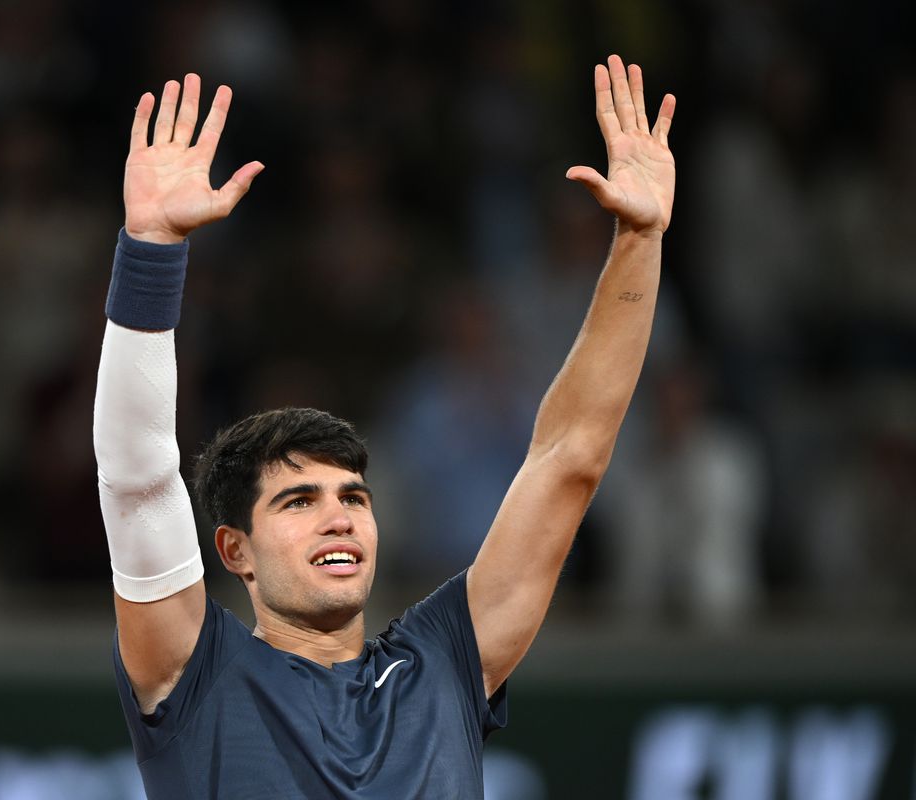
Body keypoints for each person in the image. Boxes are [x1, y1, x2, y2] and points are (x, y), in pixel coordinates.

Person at [95, 57, 675, 798]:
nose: (338, 518)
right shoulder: (194, 673)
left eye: (353, 498)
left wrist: (640, 238)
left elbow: (570, 458)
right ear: (233, 550)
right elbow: (138, 480)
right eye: (298, 501)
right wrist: (150, 250)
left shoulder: (446, 663)